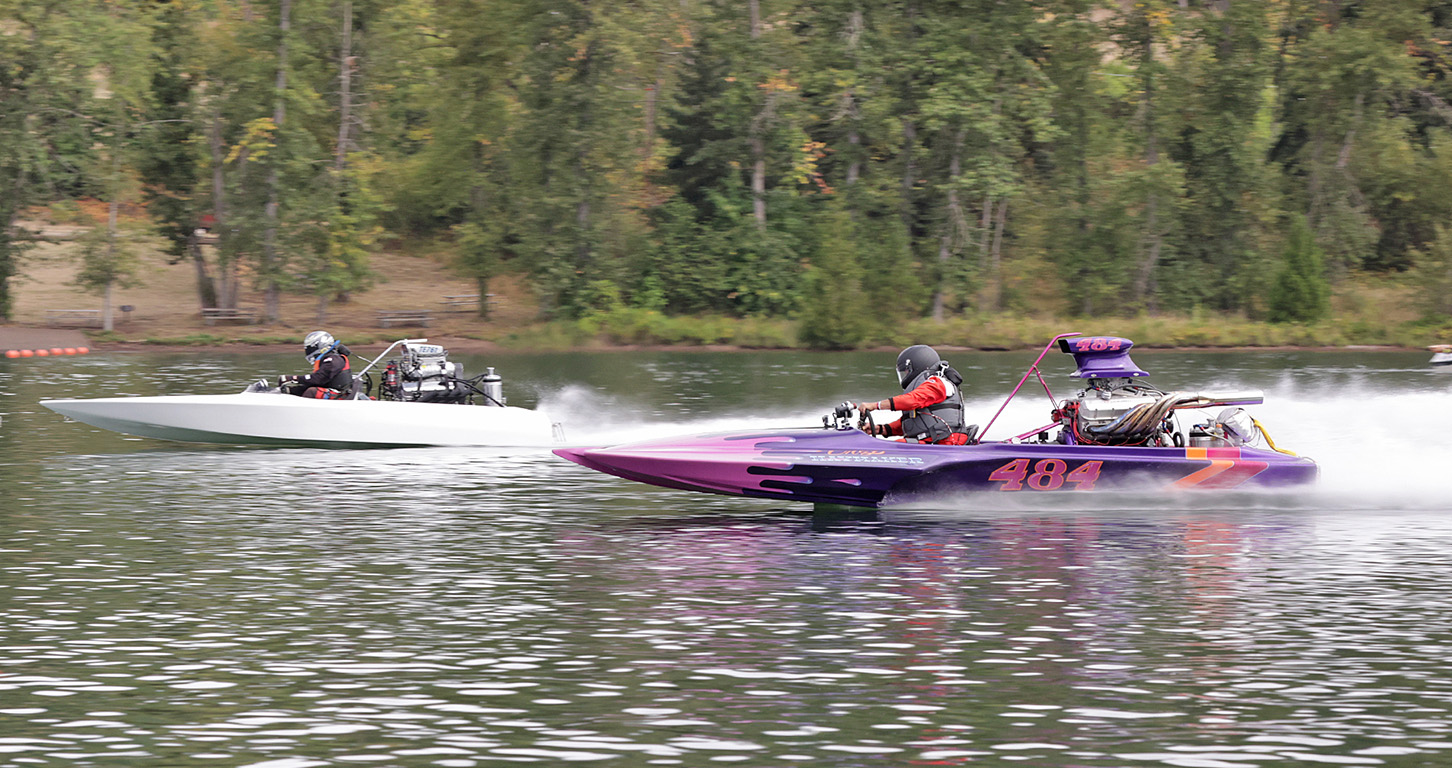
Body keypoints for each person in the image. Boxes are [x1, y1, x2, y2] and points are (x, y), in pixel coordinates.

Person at [843, 344, 977, 445]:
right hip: (932, 443)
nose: (905, 376)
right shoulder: (928, 384)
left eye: (906, 371)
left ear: (918, 365)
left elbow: (912, 400)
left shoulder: (938, 383)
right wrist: (881, 429)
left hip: (946, 443)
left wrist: (876, 405)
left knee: (894, 448)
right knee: (896, 445)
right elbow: (912, 422)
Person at [278, 331, 354, 399]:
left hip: (340, 395)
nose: (309, 351)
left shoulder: (333, 359)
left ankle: (301, 412)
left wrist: (293, 378)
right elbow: (316, 380)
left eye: (311, 348)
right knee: (294, 389)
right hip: (330, 389)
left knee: (312, 391)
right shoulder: (328, 359)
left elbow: (318, 379)